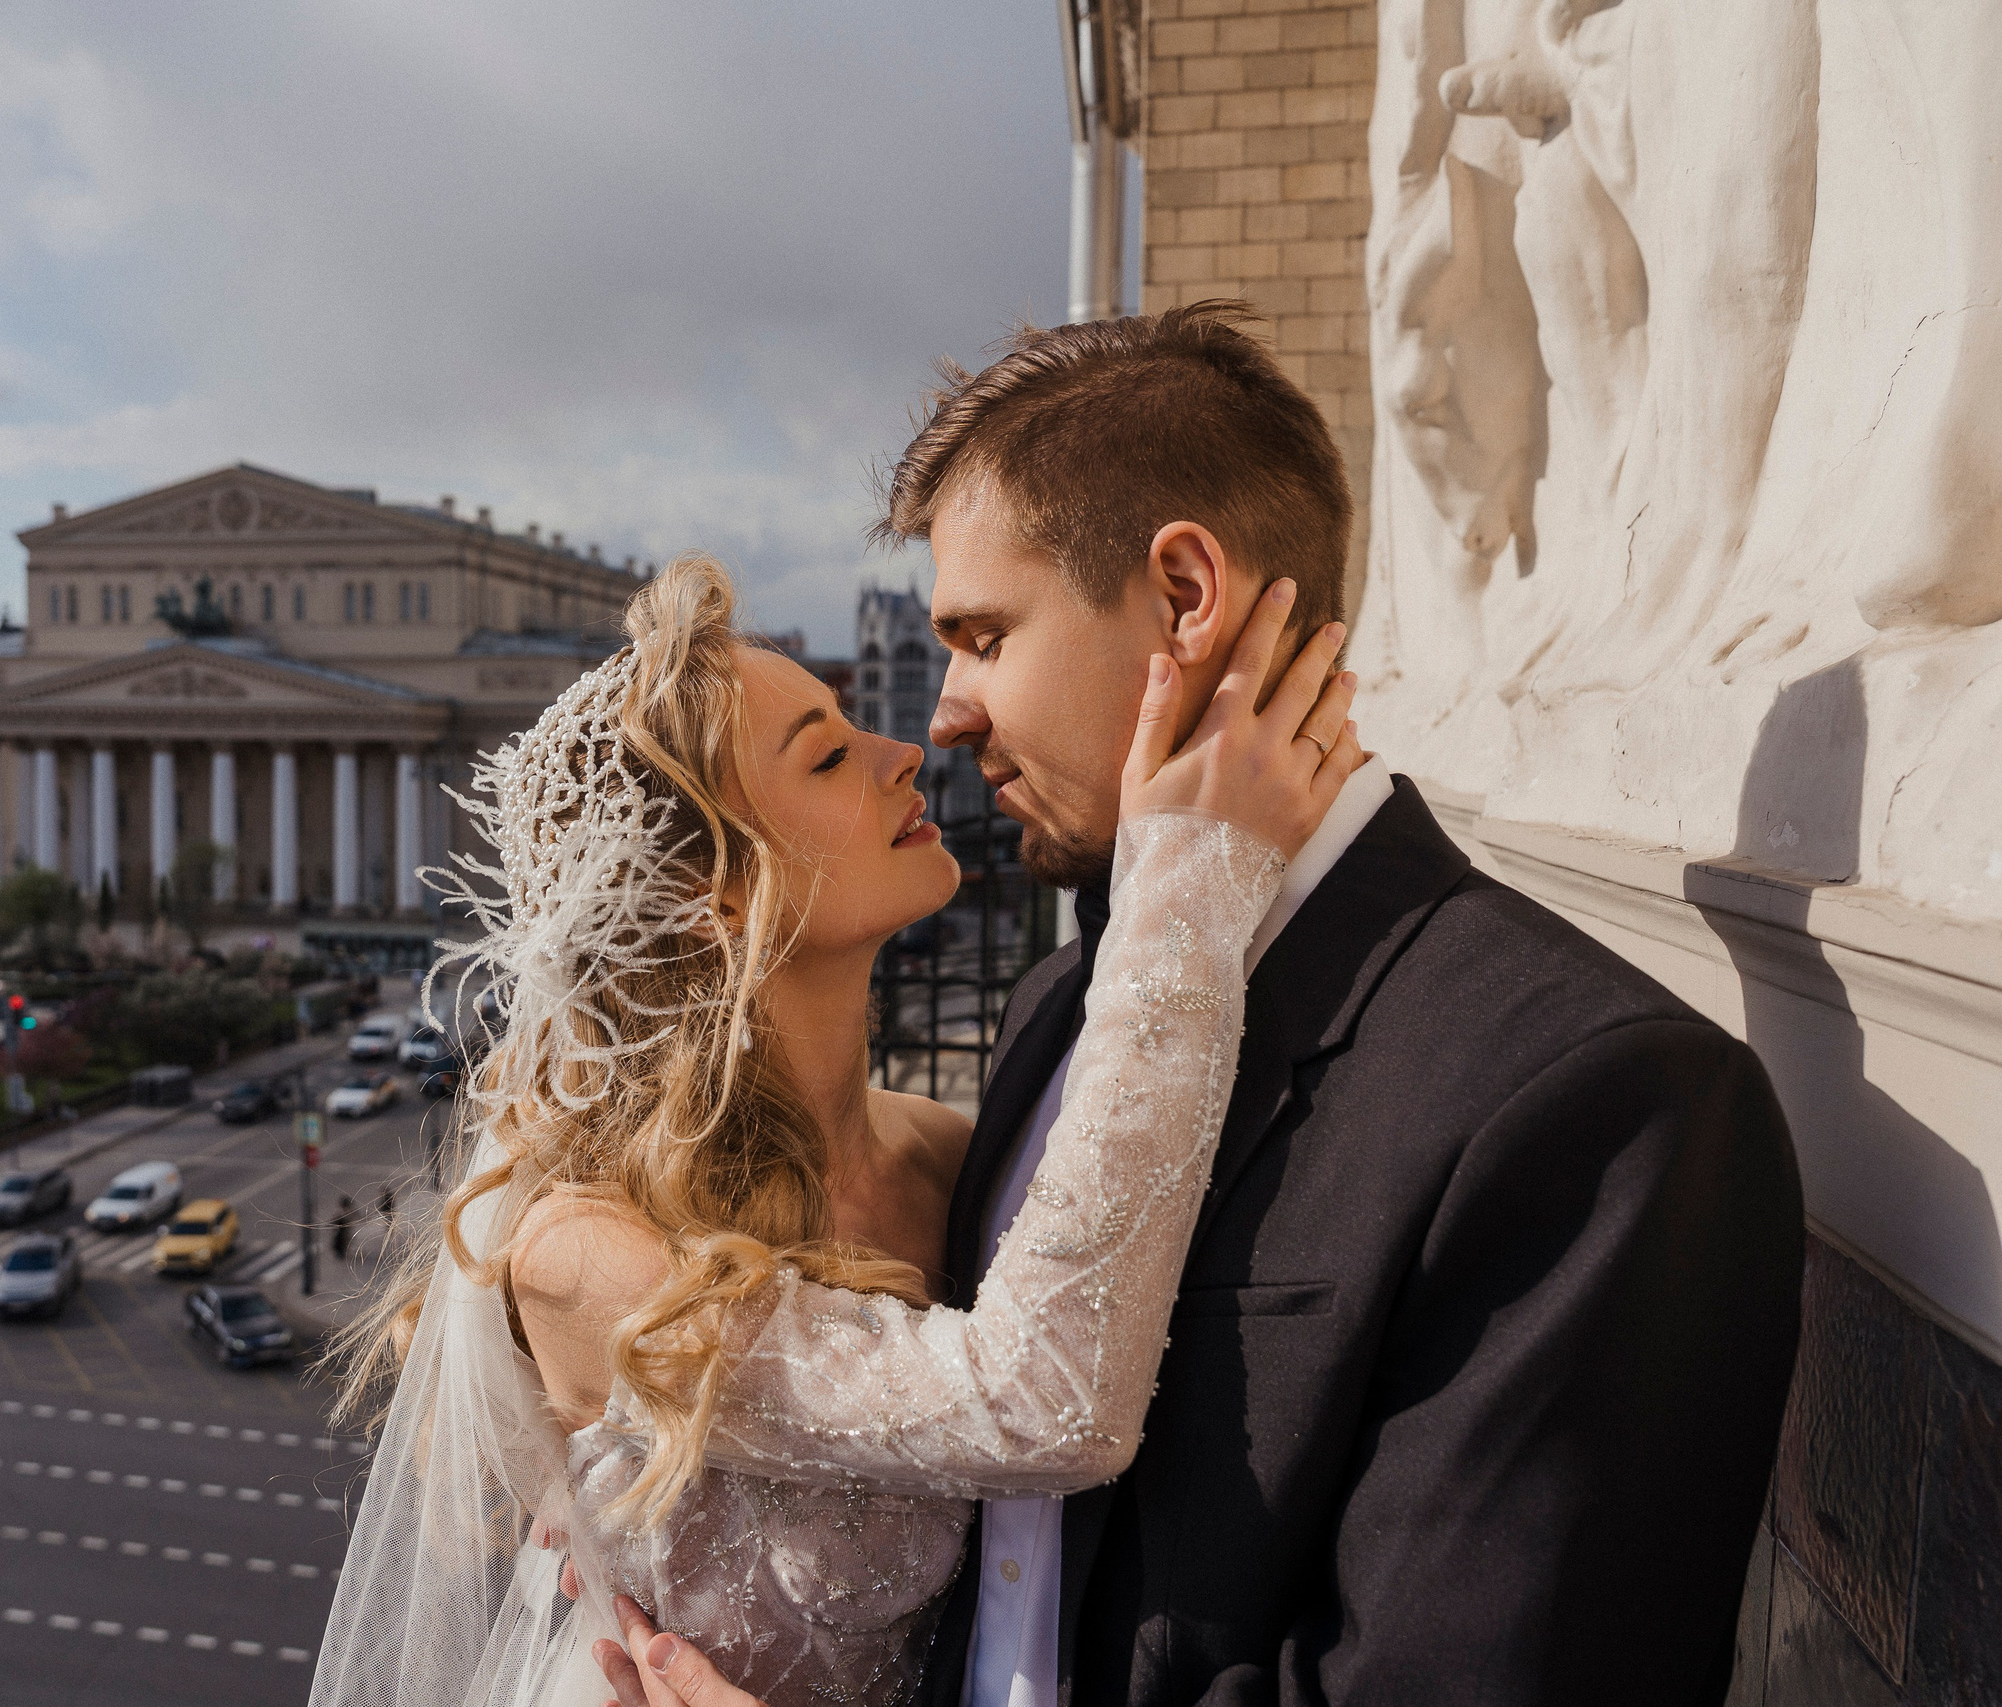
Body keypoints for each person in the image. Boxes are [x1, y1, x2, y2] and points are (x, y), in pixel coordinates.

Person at [595, 308, 1805, 1707]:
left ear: (1182, 595)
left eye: (983, 635)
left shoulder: (1594, 1101)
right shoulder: (1058, 1004)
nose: (944, 714)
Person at [310, 544, 1360, 1707]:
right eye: (827, 753)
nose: (905, 749)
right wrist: (1193, 877)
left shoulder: (947, 1150)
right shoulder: (581, 1253)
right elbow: (1045, 1403)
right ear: (718, 898)